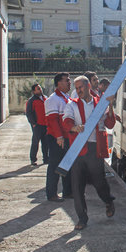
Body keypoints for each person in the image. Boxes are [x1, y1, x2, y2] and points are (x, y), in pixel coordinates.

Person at [63, 76, 117, 230]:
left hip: (95, 149)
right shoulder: (71, 105)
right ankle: (82, 218)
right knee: (77, 186)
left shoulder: (100, 103)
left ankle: (108, 200)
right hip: (78, 150)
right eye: (77, 88)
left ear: (88, 87)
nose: (78, 90)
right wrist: (74, 128)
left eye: (81, 87)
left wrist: (111, 105)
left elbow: (110, 123)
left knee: (99, 182)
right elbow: (66, 121)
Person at [44, 73, 73, 201]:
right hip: (57, 139)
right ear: (59, 83)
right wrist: (59, 137)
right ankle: (51, 194)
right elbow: (53, 121)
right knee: (55, 166)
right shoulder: (53, 99)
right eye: (67, 80)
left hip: (67, 137)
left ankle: (67, 192)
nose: (69, 83)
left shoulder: (66, 98)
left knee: (66, 166)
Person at [26, 83, 49, 165]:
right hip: (37, 125)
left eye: (40, 88)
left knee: (45, 143)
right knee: (35, 142)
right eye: (38, 89)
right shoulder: (32, 100)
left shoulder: (45, 98)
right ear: (34, 91)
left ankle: (46, 158)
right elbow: (29, 113)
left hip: (46, 124)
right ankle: (33, 159)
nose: (40, 90)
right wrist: (33, 123)